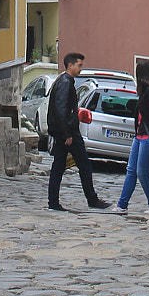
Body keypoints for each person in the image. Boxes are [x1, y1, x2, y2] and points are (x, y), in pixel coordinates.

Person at [46, 52, 109, 211]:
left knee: (60, 167)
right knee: (83, 166)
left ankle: (54, 201)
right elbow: (61, 109)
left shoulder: (64, 81)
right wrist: (67, 134)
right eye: (79, 65)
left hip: (64, 131)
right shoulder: (65, 83)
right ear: (70, 65)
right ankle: (91, 199)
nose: (81, 68)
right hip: (68, 133)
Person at [107, 62, 149, 216]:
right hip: (139, 135)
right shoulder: (146, 91)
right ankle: (122, 204)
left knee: (141, 172)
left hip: (147, 135)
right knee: (131, 170)